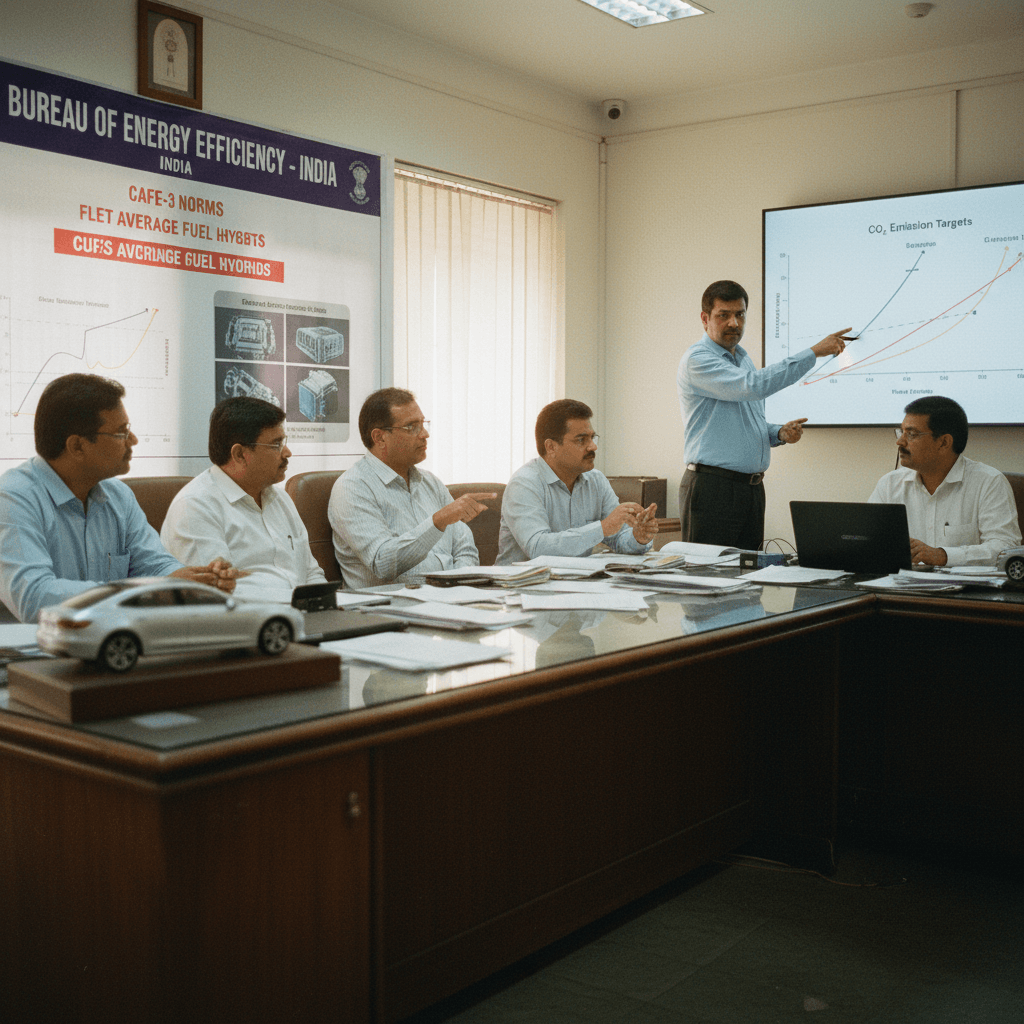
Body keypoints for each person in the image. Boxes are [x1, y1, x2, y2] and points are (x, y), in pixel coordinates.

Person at [0, 374, 238, 623]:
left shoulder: (118, 496)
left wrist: (196, 579)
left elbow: (156, 565)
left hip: (110, 641)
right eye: (121, 432)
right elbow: (33, 598)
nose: (133, 440)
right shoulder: (13, 498)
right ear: (77, 446)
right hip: (32, 652)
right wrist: (143, 591)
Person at [677, 280, 854, 549]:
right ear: (705, 319)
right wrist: (814, 352)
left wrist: (777, 433)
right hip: (713, 488)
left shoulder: (742, 359)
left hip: (750, 489)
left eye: (740, 314)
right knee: (709, 579)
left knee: (749, 579)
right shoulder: (698, 360)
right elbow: (754, 386)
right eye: (723, 315)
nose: (734, 323)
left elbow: (745, 421)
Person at [161, 397, 327, 596]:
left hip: (301, 619)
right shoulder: (196, 506)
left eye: (283, 442)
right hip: (251, 623)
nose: (287, 453)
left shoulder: (280, 499)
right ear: (239, 454)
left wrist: (324, 604)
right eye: (276, 445)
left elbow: (311, 572)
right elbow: (216, 593)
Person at [328, 388, 492, 588]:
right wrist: (437, 522)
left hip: (448, 600)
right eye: (411, 427)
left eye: (423, 424)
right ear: (379, 438)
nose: (424, 434)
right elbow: (382, 563)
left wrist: (459, 587)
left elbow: (465, 548)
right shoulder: (352, 488)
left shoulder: (431, 482)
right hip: (386, 609)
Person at [496, 399, 658, 564]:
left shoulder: (596, 480)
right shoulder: (524, 484)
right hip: (522, 585)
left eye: (592, 438)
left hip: (576, 583)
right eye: (581, 440)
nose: (593, 447)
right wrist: (602, 528)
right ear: (551, 447)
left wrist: (638, 537)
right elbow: (538, 548)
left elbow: (617, 537)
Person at [869, 396, 1021, 566]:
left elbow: (1005, 549)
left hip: (968, 590)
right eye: (901, 432)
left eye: (911, 434)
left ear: (944, 442)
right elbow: (868, 541)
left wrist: (943, 556)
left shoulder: (989, 482)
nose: (900, 441)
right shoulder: (889, 484)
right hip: (899, 587)